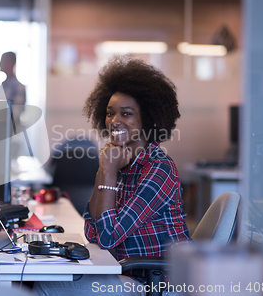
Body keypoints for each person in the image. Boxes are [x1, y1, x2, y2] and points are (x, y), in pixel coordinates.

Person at [33, 55, 192, 296]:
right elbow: (92, 232)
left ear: (147, 119)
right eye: (110, 113)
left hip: (158, 283)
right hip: (126, 272)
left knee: (44, 287)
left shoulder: (158, 169)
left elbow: (107, 237)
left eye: (126, 113)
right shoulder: (121, 161)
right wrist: (104, 169)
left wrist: (107, 171)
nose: (114, 121)